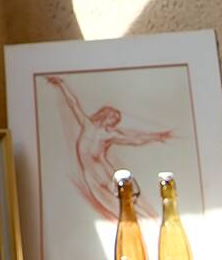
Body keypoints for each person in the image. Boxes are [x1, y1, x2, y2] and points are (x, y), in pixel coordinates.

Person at [45, 75, 173, 221]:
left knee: (126, 205)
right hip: (92, 176)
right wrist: (62, 85)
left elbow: (134, 140)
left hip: (104, 172)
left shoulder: (109, 133)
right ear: (106, 116)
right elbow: (73, 103)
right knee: (114, 209)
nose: (116, 121)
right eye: (114, 117)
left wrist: (156, 136)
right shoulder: (87, 125)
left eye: (117, 119)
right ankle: (149, 221)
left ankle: (154, 219)